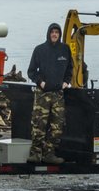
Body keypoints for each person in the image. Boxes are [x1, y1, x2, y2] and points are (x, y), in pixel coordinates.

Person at [26, 22, 73, 164]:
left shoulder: (65, 49)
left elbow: (70, 69)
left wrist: (66, 82)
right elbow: (31, 71)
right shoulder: (39, 50)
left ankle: (49, 154)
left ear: (59, 35)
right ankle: (35, 154)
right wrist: (41, 82)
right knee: (39, 125)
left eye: (57, 32)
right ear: (48, 34)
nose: (54, 35)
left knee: (57, 126)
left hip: (58, 94)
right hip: (43, 94)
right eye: (52, 32)